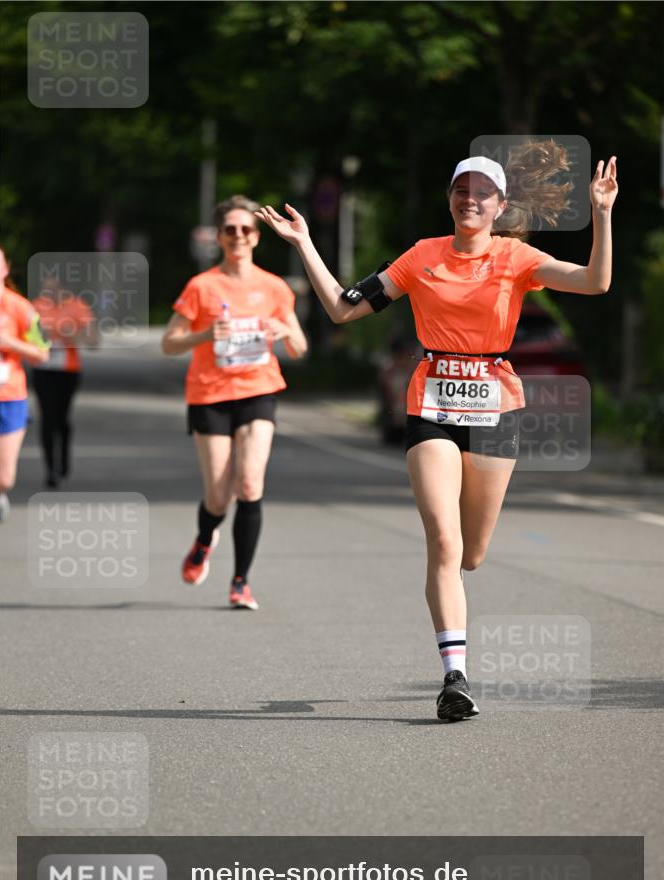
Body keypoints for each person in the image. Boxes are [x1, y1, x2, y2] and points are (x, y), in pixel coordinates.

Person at [256, 142, 618, 720]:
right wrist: (304, 245)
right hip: (432, 403)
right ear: (450, 200)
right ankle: (455, 676)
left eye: (481, 193)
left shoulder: (515, 257)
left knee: (471, 553)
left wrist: (600, 213)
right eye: (461, 190)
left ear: (499, 206)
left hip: (496, 409)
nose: (469, 200)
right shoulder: (421, 256)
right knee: (443, 541)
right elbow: (345, 309)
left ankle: (457, 629)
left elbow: (595, 282)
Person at [162, 194, 307, 609]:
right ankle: (205, 538)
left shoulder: (274, 287)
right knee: (218, 495)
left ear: (257, 237)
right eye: (230, 229)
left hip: (258, 390)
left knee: (249, 483)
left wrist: (284, 330)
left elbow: (299, 348)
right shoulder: (202, 286)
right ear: (220, 237)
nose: (238, 236)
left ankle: (240, 581)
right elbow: (169, 343)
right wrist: (205, 334)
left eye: (245, 229)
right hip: (209, 394)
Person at [0, 247, 50, 522]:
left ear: (5, 270)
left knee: (5, 477)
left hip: (9, 398)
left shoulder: (20, 307)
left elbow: (42, 352)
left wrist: (8, 343)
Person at [31, 275, 96, 487]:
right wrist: (41, 337)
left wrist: (72, 334)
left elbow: (93, 341)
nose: (48, 294)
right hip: (43, 370)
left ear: (63, 290)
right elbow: (25, 336)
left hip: (68, 371)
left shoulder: (77, 306)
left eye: (53, 289)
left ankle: (64, 460)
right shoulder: (35, 307)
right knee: (47, 418)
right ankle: (51, 469)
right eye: (45, 290)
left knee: (62, 419)